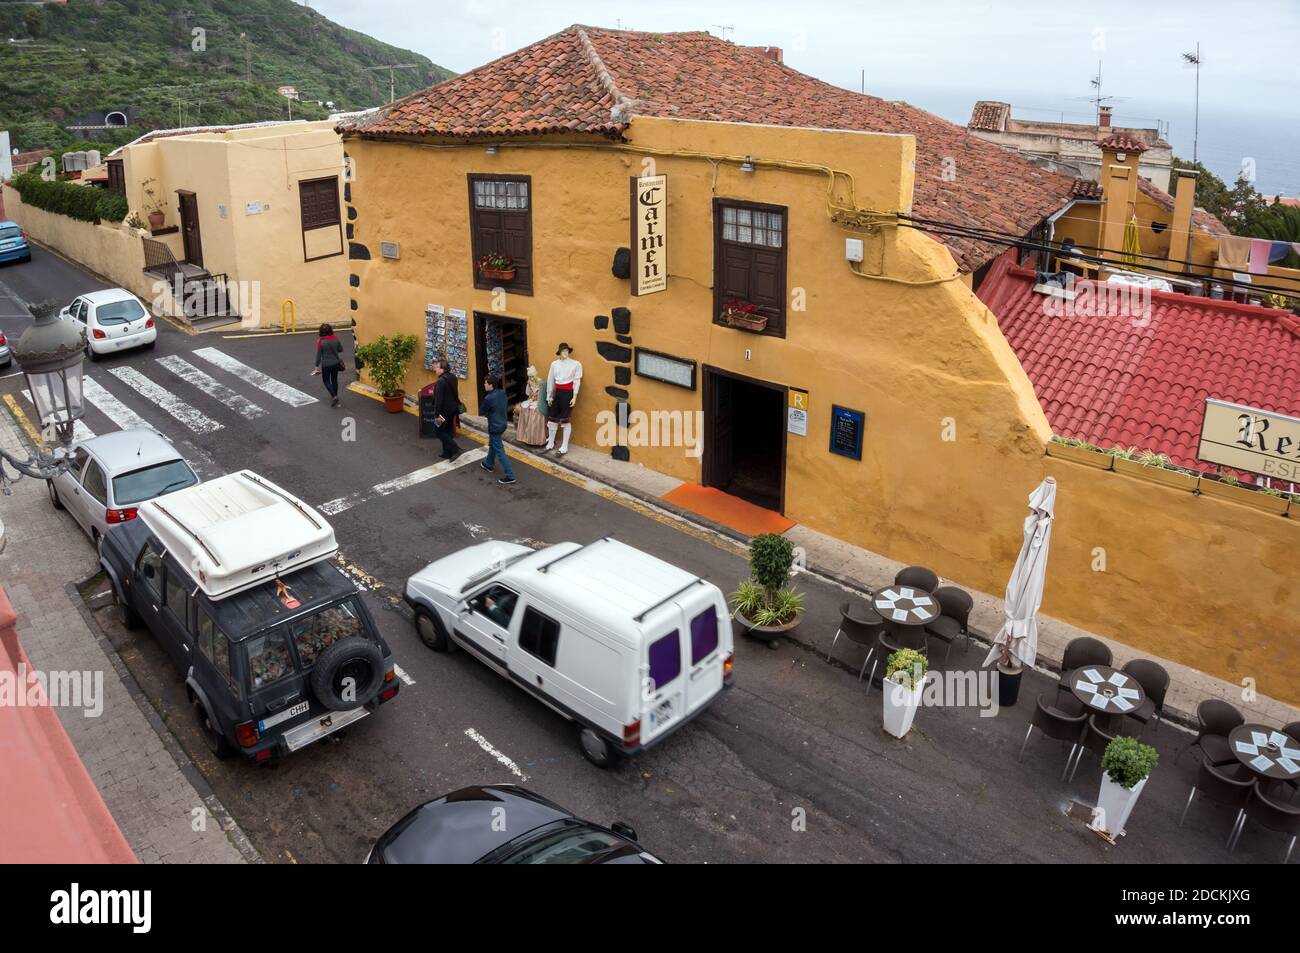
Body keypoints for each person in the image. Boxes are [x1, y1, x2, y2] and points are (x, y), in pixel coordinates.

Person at [479, 375, 516, 485]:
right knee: (493, 444)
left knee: (499, 450)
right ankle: (489, 464)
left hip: (494, 426)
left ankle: (510, 475)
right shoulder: (502, 393)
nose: (484, 384)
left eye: (486, 383)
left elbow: (481, 411)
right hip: (502, 424)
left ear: (491, 385)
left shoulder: (488, 398)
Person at [431, 357, 463, 461]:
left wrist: (436, 415)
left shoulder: (440, 381)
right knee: (447, 430)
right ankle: (447, 452)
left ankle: (455, 449)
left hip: (443, 412)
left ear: (442, 369)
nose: (435, 369)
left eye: (437, 367)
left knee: (438, 430)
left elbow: (439, 401)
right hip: (453, 409)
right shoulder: (453, 377)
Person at [311, 323, 345, 406]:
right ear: (330, 330)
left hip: (326, 364)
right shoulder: (335, 339)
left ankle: (334, 396)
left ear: (321, 332)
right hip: (336, 363)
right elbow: (341, 349)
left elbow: (318, 356)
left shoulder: (320, 341)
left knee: (326, 381)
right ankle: (335, 395)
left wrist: (316, 367)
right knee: (334, 380)